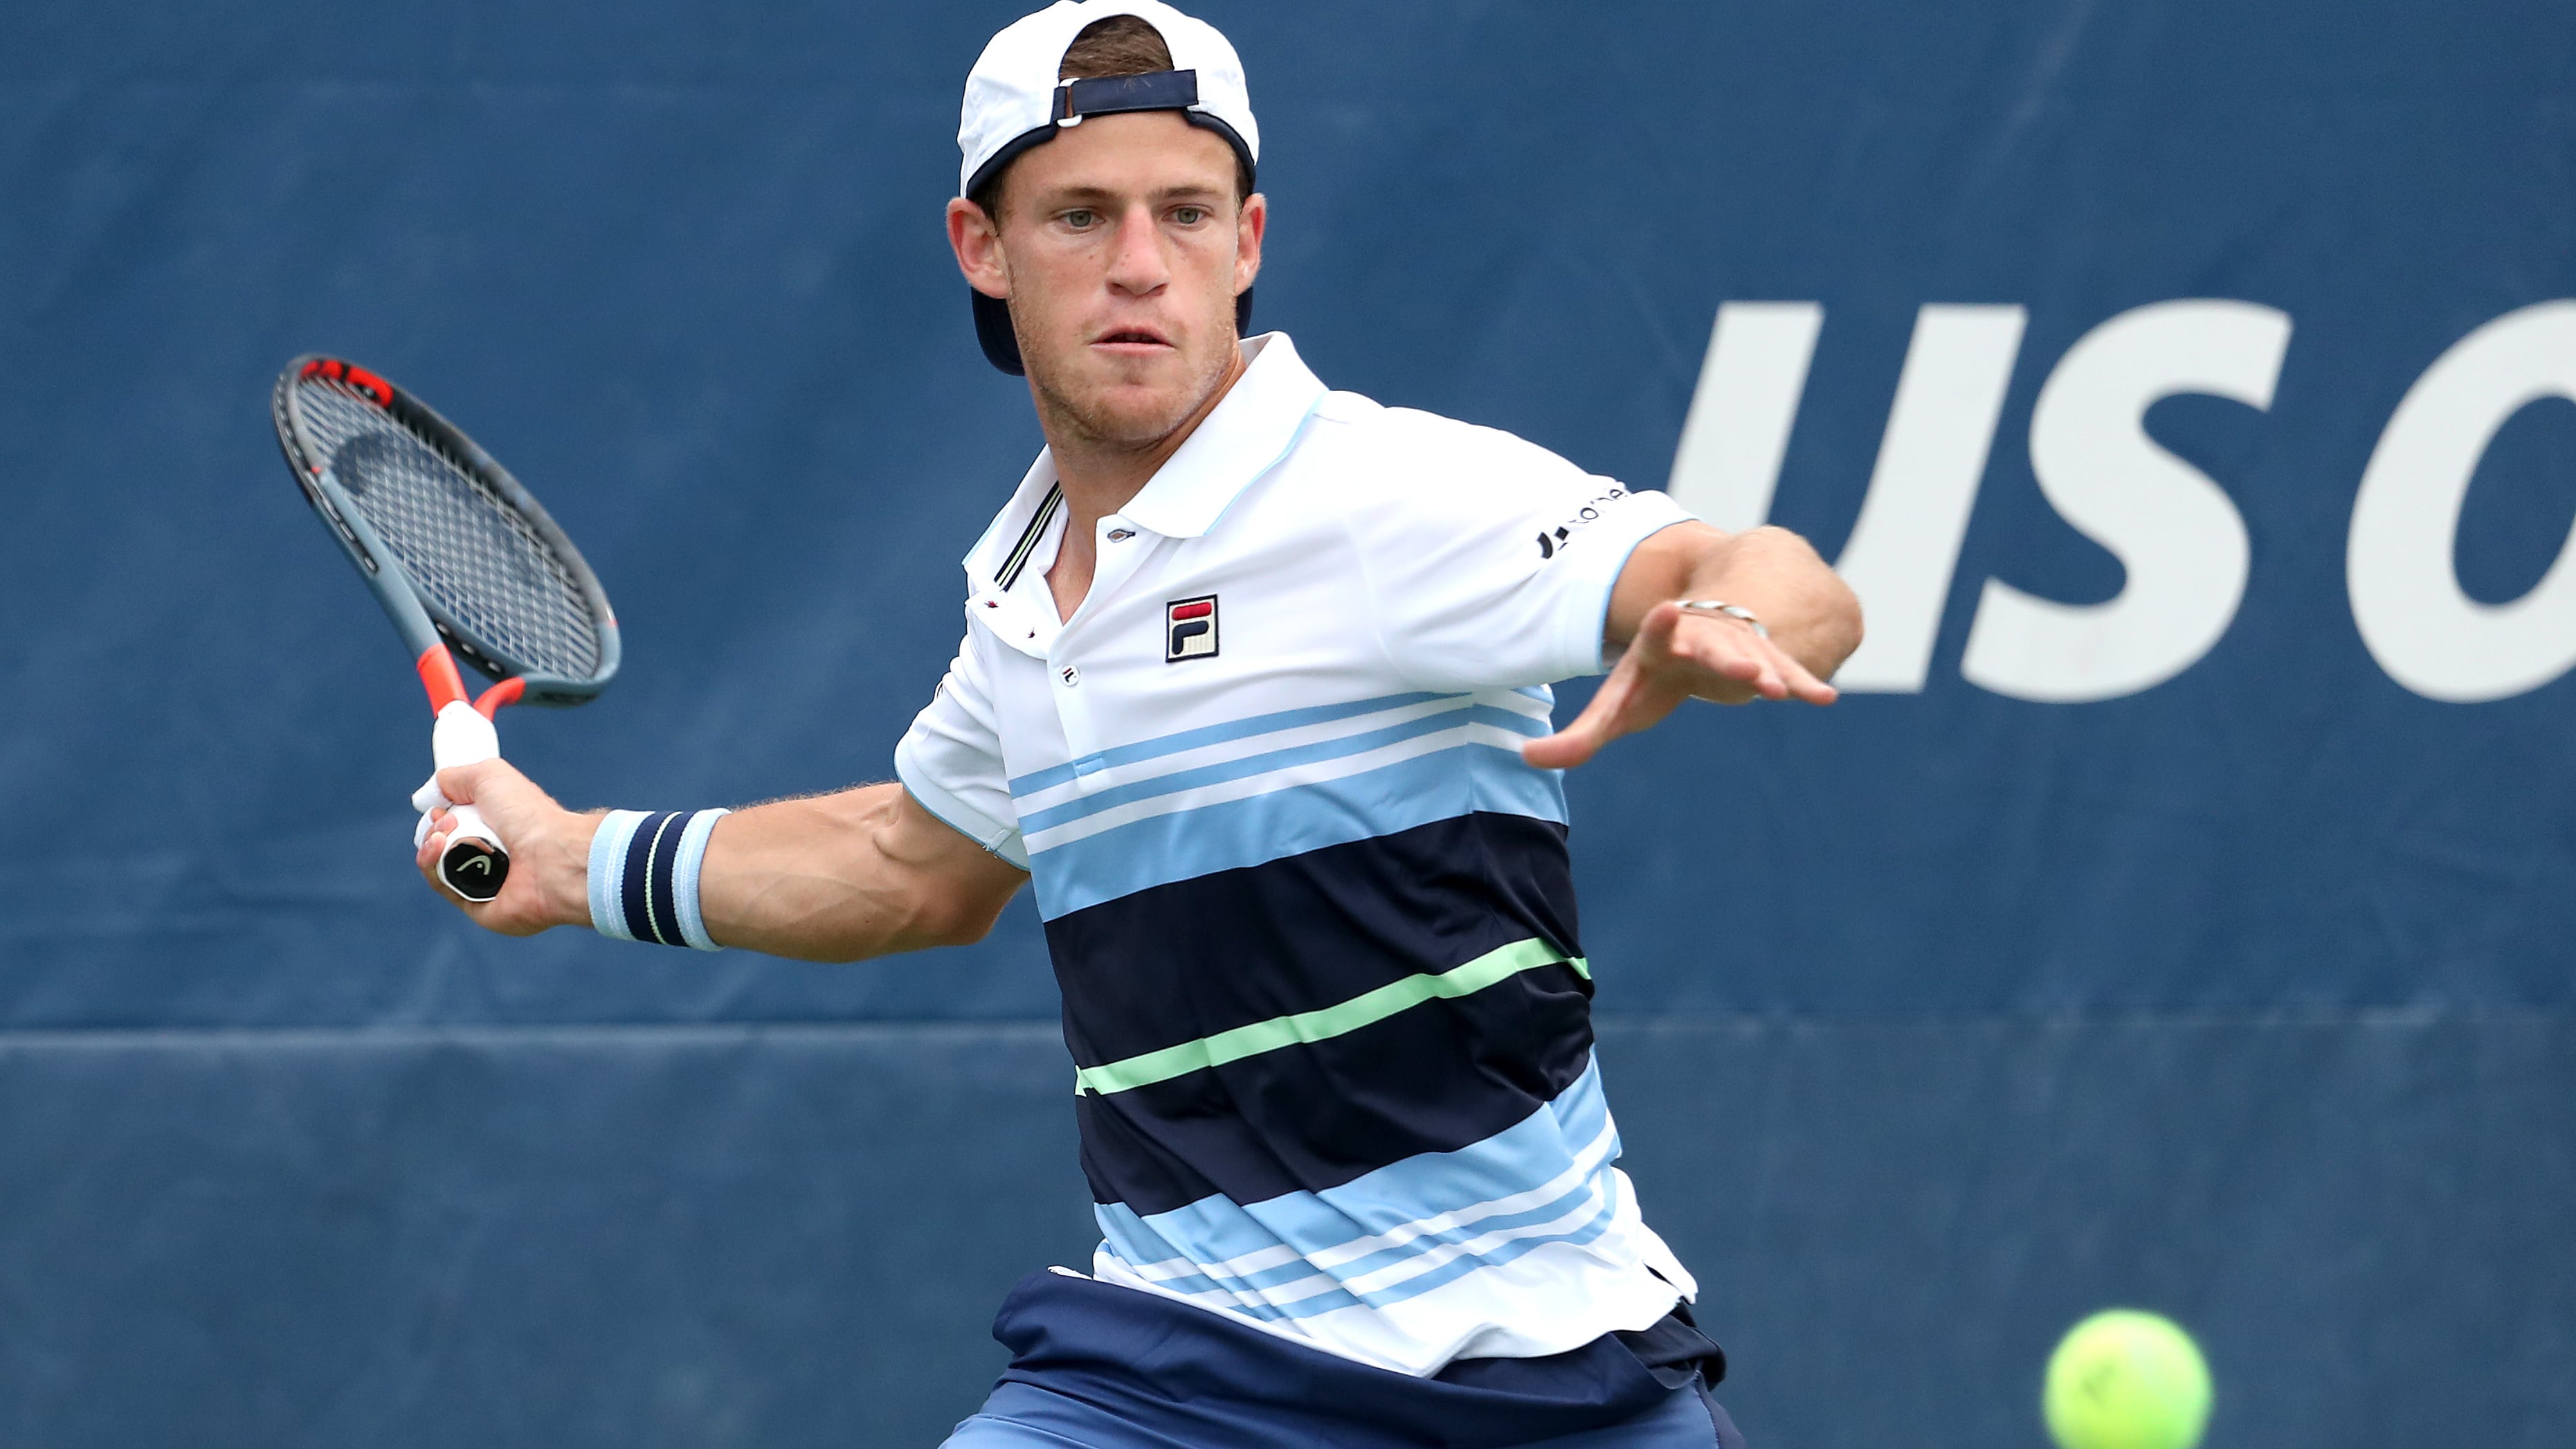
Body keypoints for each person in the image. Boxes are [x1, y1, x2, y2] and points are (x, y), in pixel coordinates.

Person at [417, 3, 1862, 1444]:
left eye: (1184, 214)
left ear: (1245, 242)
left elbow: (1766, 577)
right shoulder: (1025, 598)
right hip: (1182, 1378)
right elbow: (912, 865)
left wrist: (1734, 615)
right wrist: (568, 864)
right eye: (1079, 216)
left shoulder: (1383, 497)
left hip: (1538, 1378)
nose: (1136, 268)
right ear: (982, 249)